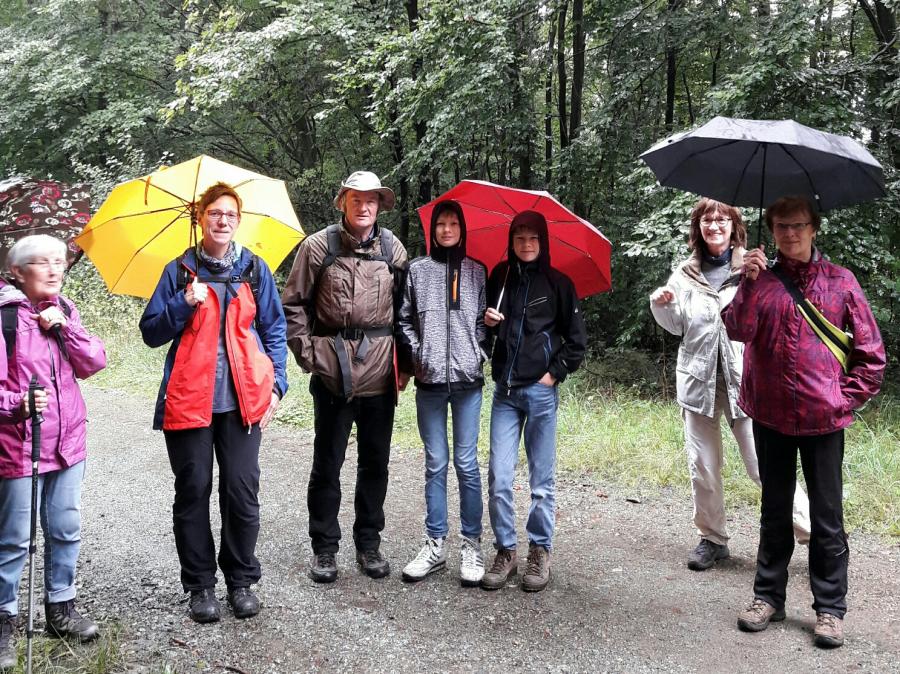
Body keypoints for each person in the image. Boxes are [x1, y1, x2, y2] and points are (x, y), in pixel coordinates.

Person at [723, 196, 885, 649]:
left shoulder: (841, 283)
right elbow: (737, 330)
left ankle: (830, 609)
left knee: (827, 517)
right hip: (769, 415)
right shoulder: (761, 280)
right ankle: (767, 598)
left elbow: (871, 355)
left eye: (797, 226)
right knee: (774, 512)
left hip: (822, 420)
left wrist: (841, 399)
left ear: (814, 229)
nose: (789, 234)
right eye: (779, 226)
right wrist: (749, 283)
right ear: (771, 230)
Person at [139, 182, 287, 624]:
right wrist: (183, 303)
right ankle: (200, 585)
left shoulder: (254, 269)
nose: (222, 220)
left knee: (241, 494)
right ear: (200, 218)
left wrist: (277, 385)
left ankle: (240, 581)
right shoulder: (179, 271)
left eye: (230, 214)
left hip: (243, 403)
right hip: (188, 402)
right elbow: (151, 332)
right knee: (193, 492)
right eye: (214, 213)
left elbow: (275, 330)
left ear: (238, 221)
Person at [650, 198, 811, 571]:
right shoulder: (685, 273)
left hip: (748, 382)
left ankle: (814, 534)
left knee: (763, 466)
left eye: (722, 219)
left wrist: (758, 278)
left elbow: (777, 318)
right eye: (708, 220)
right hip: (698, 381)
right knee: (703, 465)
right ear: (699, 228)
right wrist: (662, 304)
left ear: (734, 226)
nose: (715, 225)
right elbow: (677, 325)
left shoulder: (755, 269)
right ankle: (712, 538)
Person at [281, 171, 408, 583]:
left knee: (376, 463)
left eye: (371, 199)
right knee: (327, 462)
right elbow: (294, 304)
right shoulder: (319, 247)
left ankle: (369, 545)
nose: (364, 206)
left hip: (380, 373)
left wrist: (404, 365)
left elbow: (407, 313)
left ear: (380, 205)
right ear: (343, 202)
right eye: (356, 199)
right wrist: (310, 354)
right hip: (332, 370)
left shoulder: (394, 250)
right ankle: (324, 548)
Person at [0, 235, 106, 667]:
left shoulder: (63, 310)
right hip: (20, 445)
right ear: (19, 272)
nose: (53, 270)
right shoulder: (5, 319)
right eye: (42, 263)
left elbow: (94, 362)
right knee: (13, 541)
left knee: (65, 528)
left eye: (59, 262)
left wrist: (64, 327)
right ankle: (4, 621)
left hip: (69, 442)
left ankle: (61, 609)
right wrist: (18, 406)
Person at [480, 210, 586, 593]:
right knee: (500, 477)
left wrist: (552, 374)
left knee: (542, 481)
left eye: (533, 238)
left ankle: (540, 551)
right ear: (511, 241)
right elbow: (483, 334)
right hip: (505, 394)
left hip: (541, 392)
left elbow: (577, 342)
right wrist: (487, 324)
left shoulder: (559, 284)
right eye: (519, 237)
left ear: (543, 242)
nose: (526, 244)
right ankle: (506, 550)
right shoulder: (499, 278)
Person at [396, 200, 488, 586]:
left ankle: (471, 544)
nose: (447, 230)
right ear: (432, 229)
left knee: (466, 463)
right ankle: (435, 544)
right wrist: (418, 355)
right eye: (442, 224)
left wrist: (478, 350)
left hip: (468, 381)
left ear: (462, 229)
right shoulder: (417, 270)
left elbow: (485, 321)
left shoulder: (477, 271)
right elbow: (402, 318)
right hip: (430, 381)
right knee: (435, 462)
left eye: (454, 224)